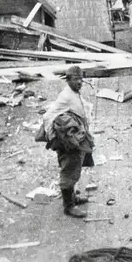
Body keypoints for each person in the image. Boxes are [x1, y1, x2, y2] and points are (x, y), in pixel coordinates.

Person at [35, 65, 95, 219]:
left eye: (81, 79)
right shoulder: (66, 96)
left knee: (75, 166)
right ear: (68, 80)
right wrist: (60, 135)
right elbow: (50, 115)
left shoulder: (74, 93)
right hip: (66, 140)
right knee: (69, 169)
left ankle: (72, 197)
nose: (80, 82)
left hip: (75, 137)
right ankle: (68, 206)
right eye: (76, 79)